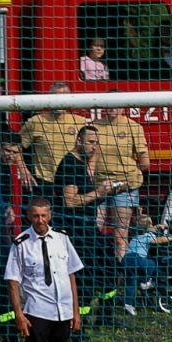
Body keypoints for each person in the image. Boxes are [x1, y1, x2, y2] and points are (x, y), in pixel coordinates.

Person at [5, 198, 84, 342]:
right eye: (35, 216)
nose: (40, 220)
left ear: (49, 215)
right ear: (29, 217)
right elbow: (13, 281)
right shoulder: (21, 243)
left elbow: (71, 276)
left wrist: (75, 311)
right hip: (37, 310)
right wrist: (19, 315)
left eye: (43, 215)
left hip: (62, 311)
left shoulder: (62, 239)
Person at [50, 125, 112, 298]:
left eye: (97, 143)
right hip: (76, 229)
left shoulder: (81, 162)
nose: (94, 147)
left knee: (109, 267)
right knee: (88, 274)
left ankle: (105, 315)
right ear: (78, 140)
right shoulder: (70, 164)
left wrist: (109, 192)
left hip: (87, 226)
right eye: (91, 142)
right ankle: (81, 318)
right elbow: (70, 201)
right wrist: (98, 192)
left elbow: (85, 197)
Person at [92, 107, 149, 262]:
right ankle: (93, 278)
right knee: (92, 232)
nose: (112, 109)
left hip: (124, 188)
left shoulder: (133, 127)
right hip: (99, 186)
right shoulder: (94, 127)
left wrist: (126, 180)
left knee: (120, 236)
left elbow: (144, 162)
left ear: (122, 108)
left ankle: (122, 280)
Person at [17, 83, 85, 194]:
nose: (60, 102)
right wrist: (23, 169)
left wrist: (90, 169)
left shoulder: (79, 122)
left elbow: (94, 148)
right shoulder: (36, 121)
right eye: (56, 98)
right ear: (50, 99)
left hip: (73, 183)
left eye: (64, 98)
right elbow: (15, 145)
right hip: (46, 183)